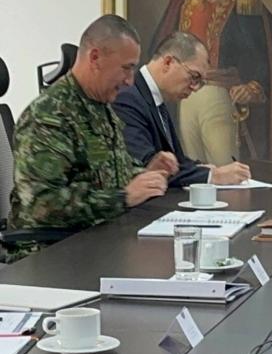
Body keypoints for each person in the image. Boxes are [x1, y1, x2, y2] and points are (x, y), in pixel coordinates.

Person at [10, 15, 175, 237]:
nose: (129, 80)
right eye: (126, 68)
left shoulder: (100, 106)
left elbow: (106, 174)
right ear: (95, 58)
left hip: (99, 234)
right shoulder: (49, 115)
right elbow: (42, 204)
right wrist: (123, 197)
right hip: (54, 246)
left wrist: (145, 173)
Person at [149, 0, 272, 166]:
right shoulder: (182, 4)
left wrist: (252, 86)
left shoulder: (240, 3)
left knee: (226, 169)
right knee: (192, 170)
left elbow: (263, 57)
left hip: (219, 96)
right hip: (185, 100)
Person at [112, 31, 251, 187]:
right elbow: (146, 167)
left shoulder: (157, 98)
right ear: (168, 63)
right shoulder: (128, 98)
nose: (195, 88)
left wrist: (203, 169)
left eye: (200, 82)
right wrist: (213, 176)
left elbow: (176, 161)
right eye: (194, 76)